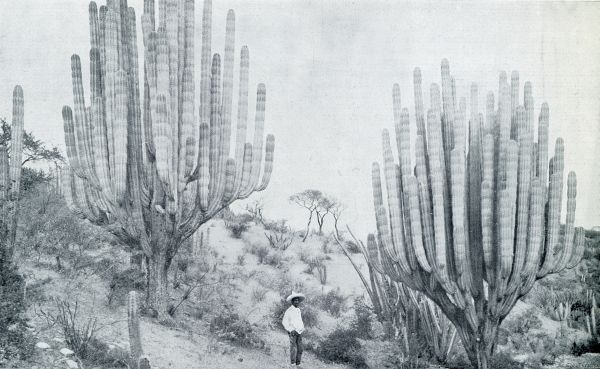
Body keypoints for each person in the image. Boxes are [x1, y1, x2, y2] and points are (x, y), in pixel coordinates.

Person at [282, 291, 305, 367]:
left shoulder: (298, 310)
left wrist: (301, 329)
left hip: (299, 332)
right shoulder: (289, 311)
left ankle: (298, 364)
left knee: (300, 349)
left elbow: (300, 321)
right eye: (295, 300)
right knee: (293, 349)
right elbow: (284, 322)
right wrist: (290, 330)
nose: (297, 302)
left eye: (298, 300)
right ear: (292, 301)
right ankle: (293, 364)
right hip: (293, 333)